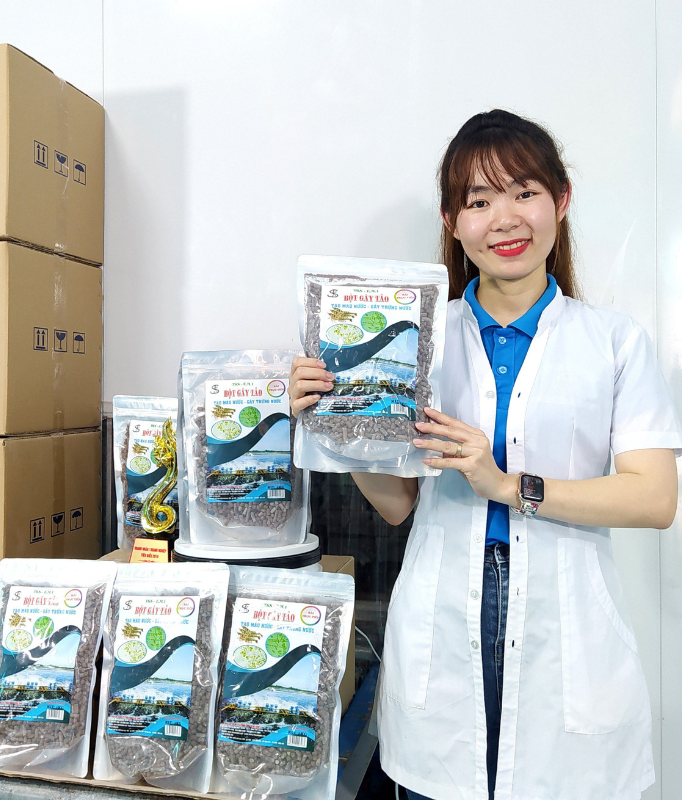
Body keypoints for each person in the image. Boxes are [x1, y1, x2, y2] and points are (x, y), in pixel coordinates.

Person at [288, 109, 681, 800]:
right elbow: (397, 505)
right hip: (443, 617)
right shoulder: (418, 341)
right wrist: (338, 424)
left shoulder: (614, 341)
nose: (505, 219)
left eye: (525, 192)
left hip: (567, 623)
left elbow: (654, 497)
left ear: (561, 201)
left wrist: (508, 485)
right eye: (479, 201)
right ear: (452, 220)